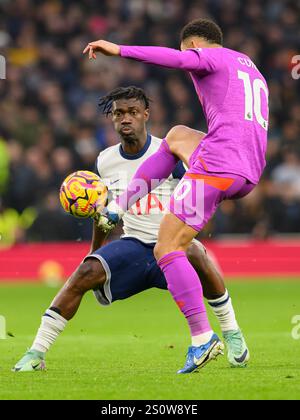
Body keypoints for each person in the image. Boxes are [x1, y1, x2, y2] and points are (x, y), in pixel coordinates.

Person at [13, 86, 248, 372]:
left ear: (145, 115)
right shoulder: (105, 160)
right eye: (119, 113)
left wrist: (187, 231)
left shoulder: (170, 151)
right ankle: (36, 353)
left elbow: (199, 197)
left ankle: (233, 333)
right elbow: (105, 211)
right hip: (134, 246)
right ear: (112, 119)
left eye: (133, 112)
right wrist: (93, 253)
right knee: (84, 273)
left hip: (173, 245)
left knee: (198, 254)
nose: (126, 118)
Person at [83, 17, 268, 373]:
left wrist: (118, 49)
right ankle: (120, 207)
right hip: (248, 168)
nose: (191, 67)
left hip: (218, 166)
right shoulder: (249, 67)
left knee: (166, 247)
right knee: (177, 136)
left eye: (190, 55)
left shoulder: (207, 56)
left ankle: (202, 338)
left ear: (195, 46)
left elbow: (177, 59)